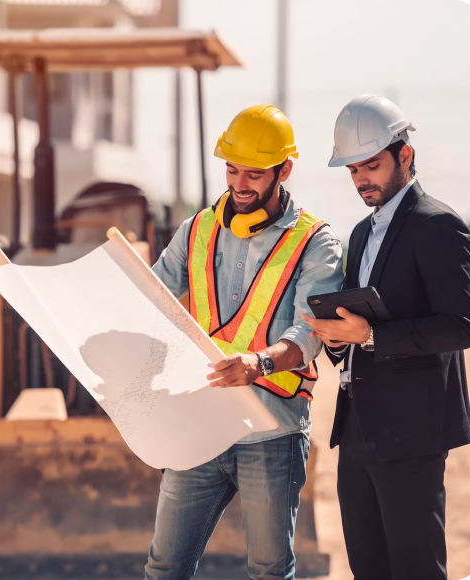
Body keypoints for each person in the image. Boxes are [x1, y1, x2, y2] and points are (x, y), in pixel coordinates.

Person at [144, 104, 343, 580]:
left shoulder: (315, 243)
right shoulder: (196, 230)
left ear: (284, 170)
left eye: (254, 173)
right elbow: (149, 299)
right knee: (164, 567)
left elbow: (309, 332)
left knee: (270, 571)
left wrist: (258, 363)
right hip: (200, 423)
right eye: (232, 170)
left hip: (271, 432)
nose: (239, 183)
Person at [303, 94, 470, 580]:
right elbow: (359, 331)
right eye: (353, 169)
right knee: (368, 569)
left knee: (416, 569)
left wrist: (373, 335)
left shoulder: (439, 225)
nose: (361, 179)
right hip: (358, 430)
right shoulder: (359, 234)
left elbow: (460, 327)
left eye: (371, 165)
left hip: (413, 434)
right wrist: (338, 338)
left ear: (405, 156)